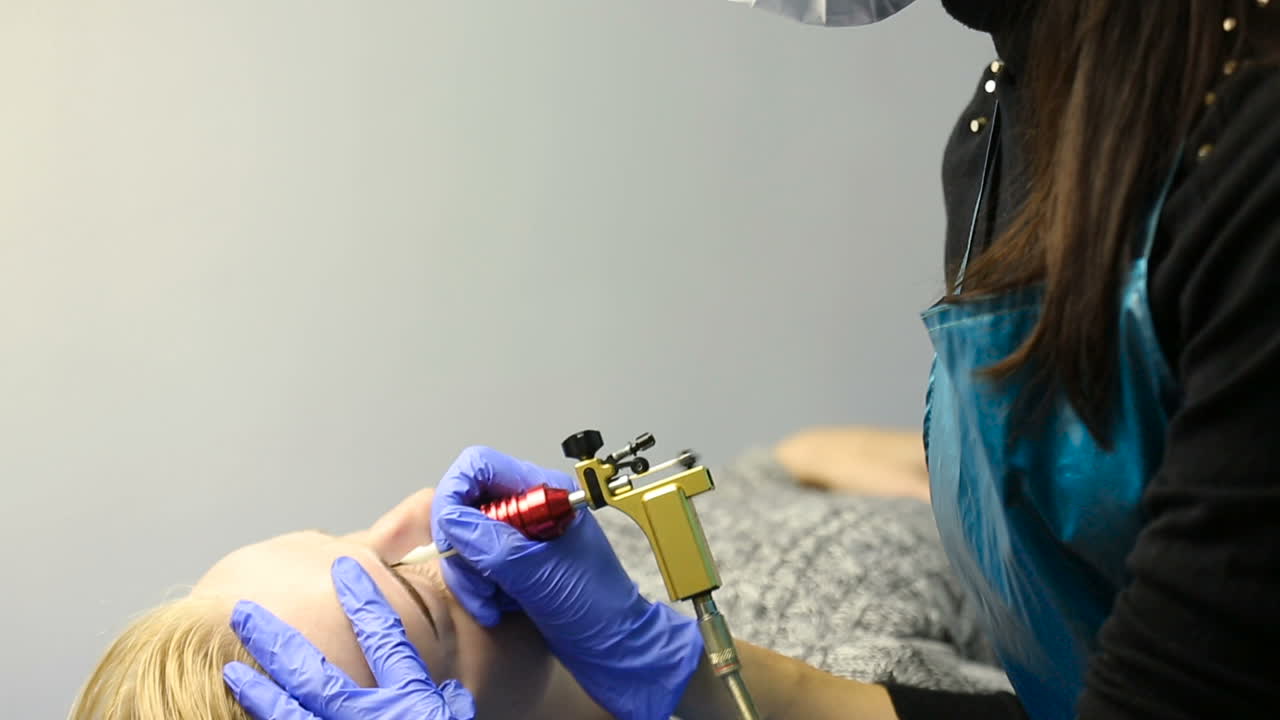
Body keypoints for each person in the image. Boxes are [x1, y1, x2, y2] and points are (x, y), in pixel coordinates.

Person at [219, 0, 1280, 719]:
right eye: (412, 608)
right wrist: (676, 675)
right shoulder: (1015, 117)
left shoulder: (1246, 149)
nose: (417, 511)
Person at [66, 486, 612, 720]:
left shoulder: (639, 564)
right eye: (425, 603)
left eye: (341, 534)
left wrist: (693, 679)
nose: (424, 504)